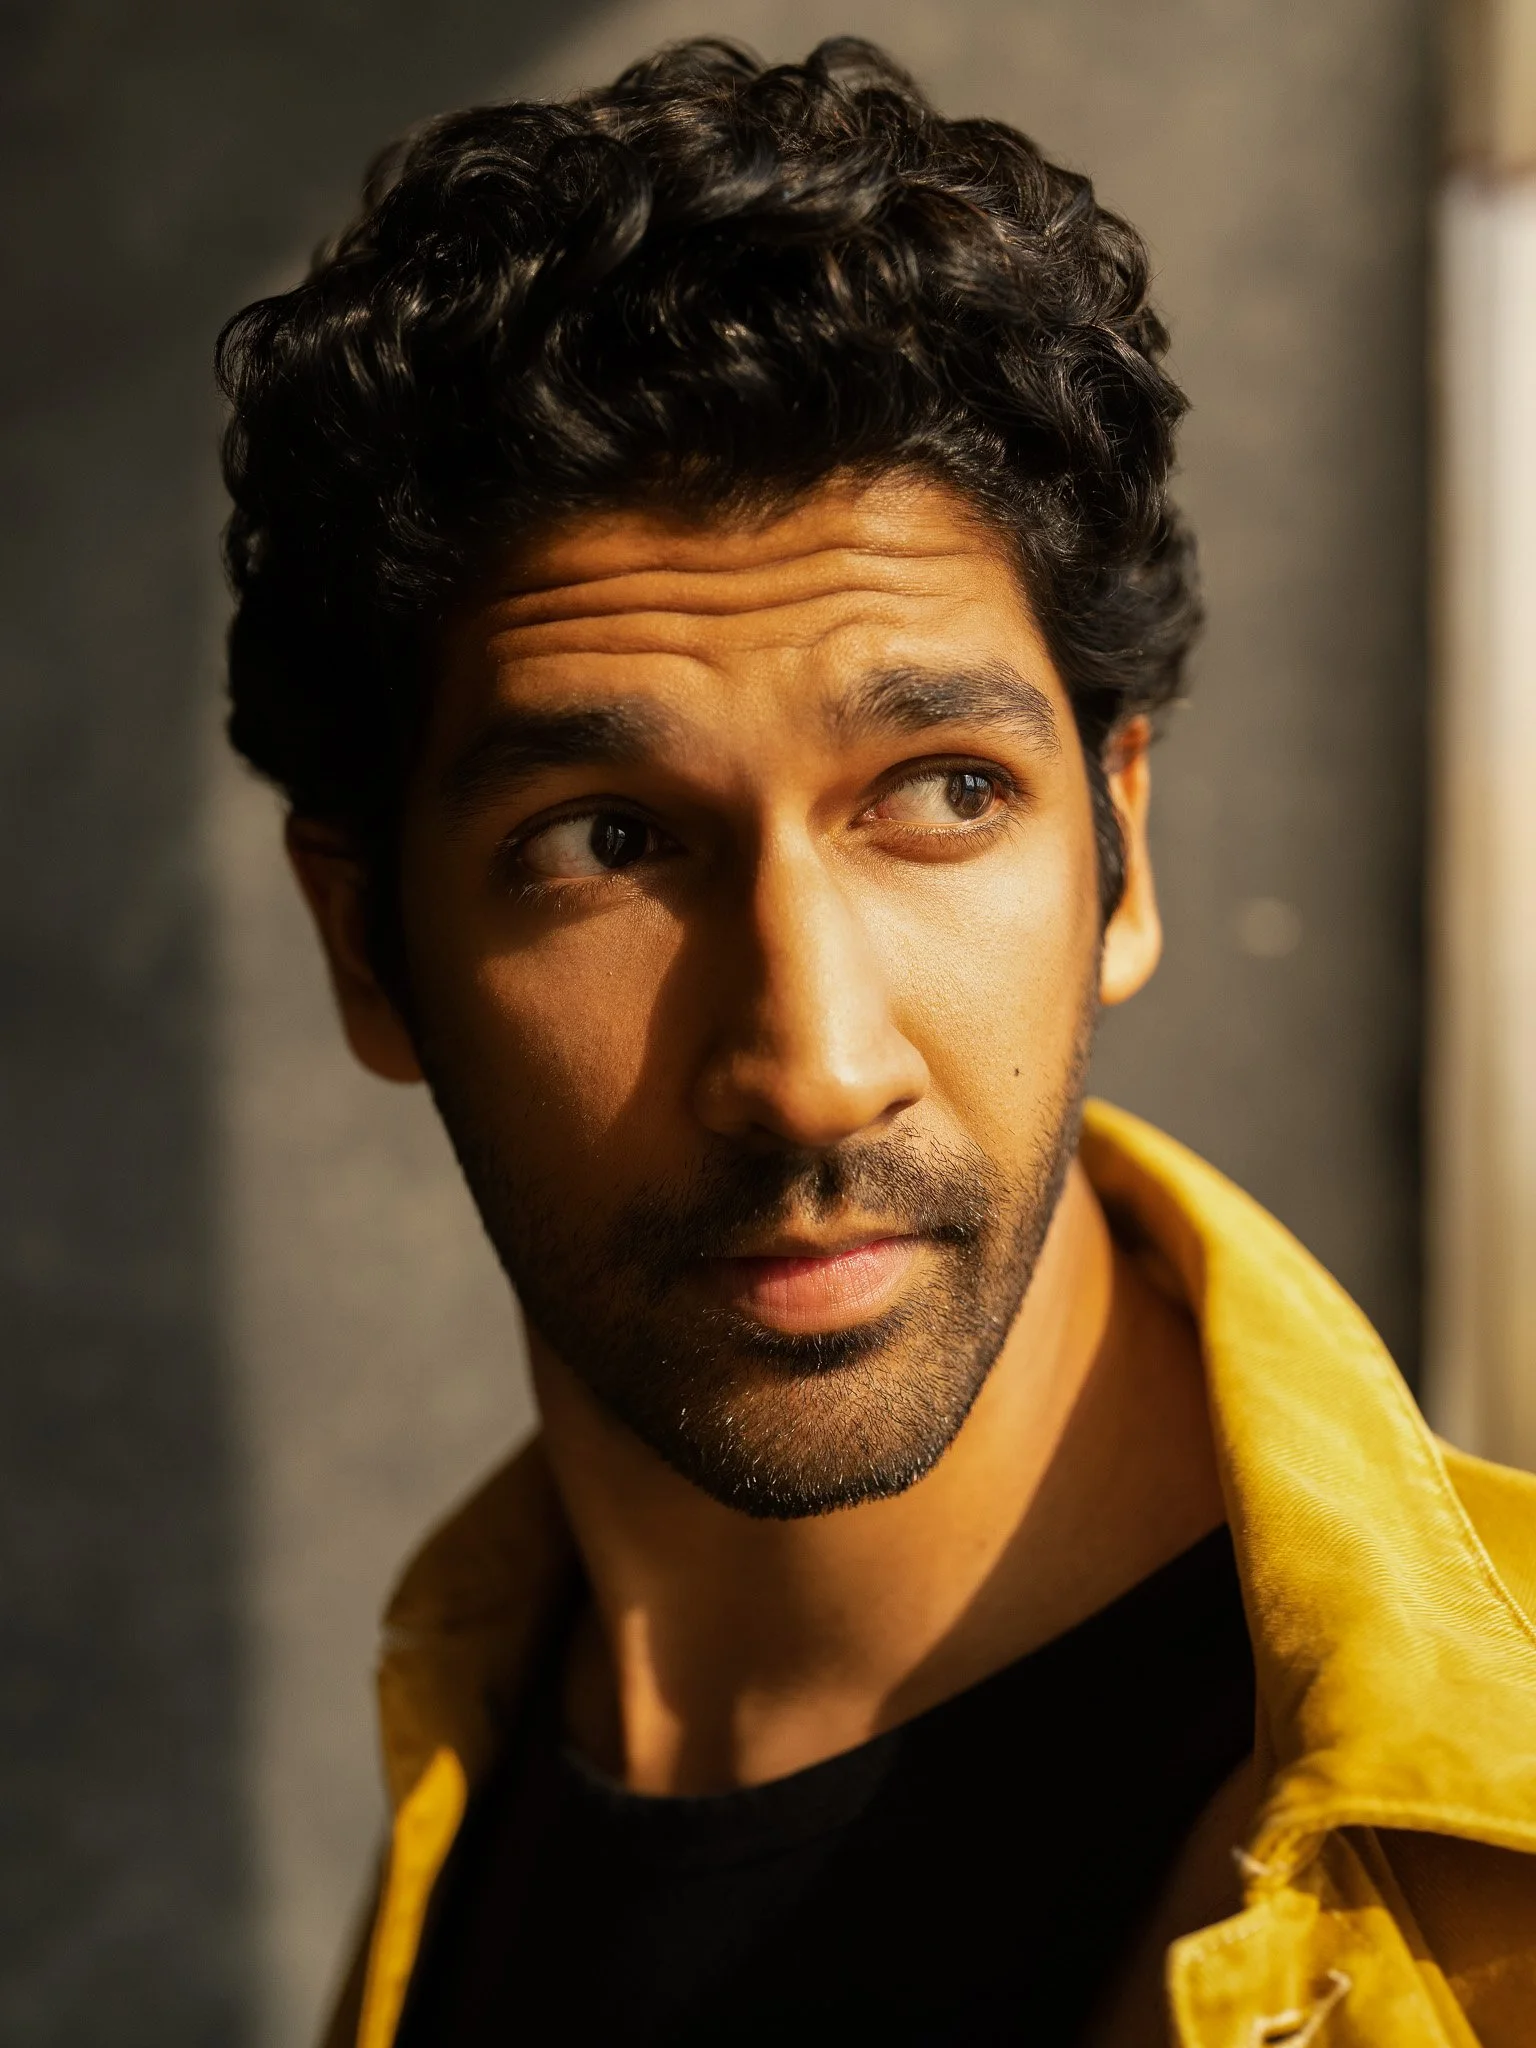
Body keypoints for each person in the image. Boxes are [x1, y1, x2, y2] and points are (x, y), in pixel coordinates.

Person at [215, 36, 1536, 2048]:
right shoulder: (501, 1727)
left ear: (1122, 850)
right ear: (367, 948)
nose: (815, 1064)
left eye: (939, 794)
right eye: (605, 842)